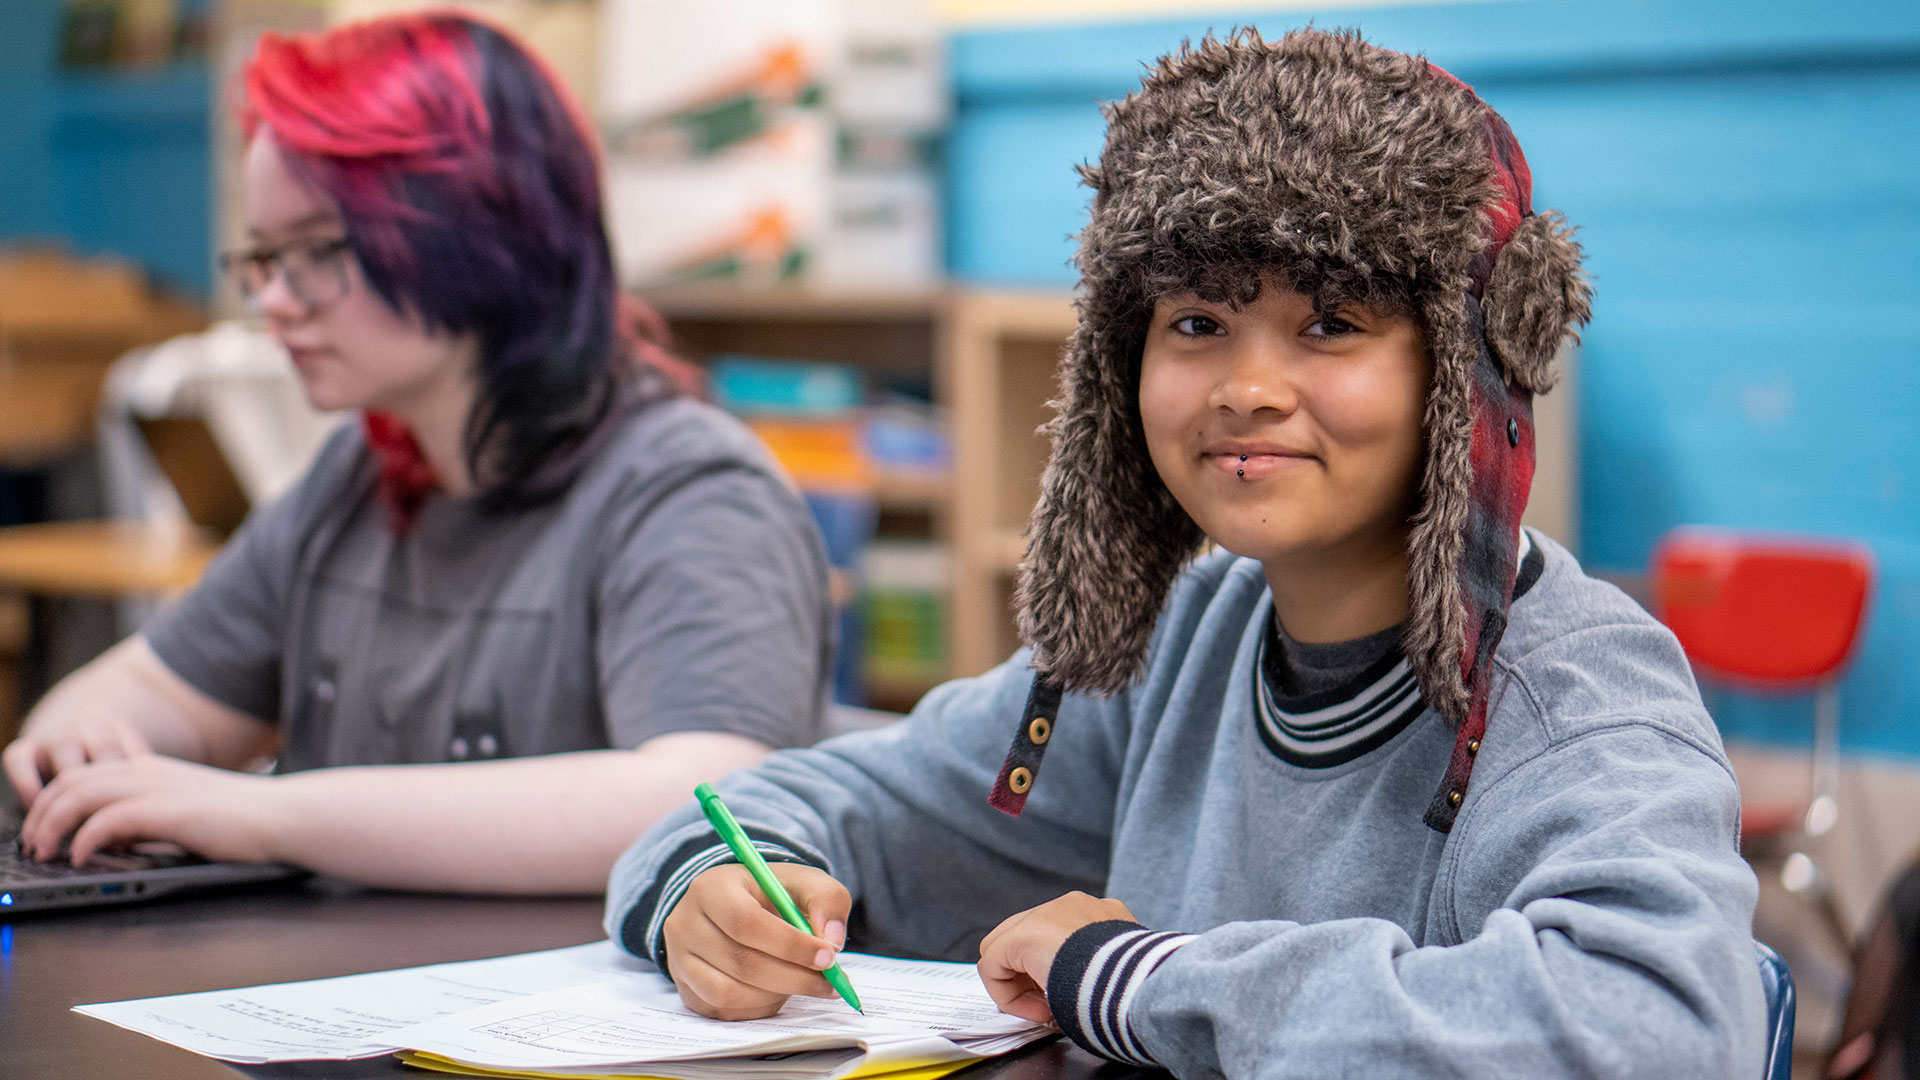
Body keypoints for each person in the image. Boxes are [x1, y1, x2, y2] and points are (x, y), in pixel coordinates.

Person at [603, 27, 1768, 1075]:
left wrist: (1139, 979)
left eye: (1331, 324)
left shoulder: (1580, 698)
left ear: (1463, 376)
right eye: (1198, 324)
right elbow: (813, 801)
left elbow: (1657, 1028)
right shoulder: (1180, 644)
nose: (1249, 390)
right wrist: (714, 893)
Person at [5, 12, 832, 896]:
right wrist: (84, 735)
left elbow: (701, 798)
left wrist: (260, 811)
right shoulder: (355, 475)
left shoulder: (691, 490)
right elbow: (158, 692)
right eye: (262, 257)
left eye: (316, 251)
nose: (275, 300)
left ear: (485, 231)